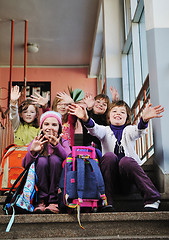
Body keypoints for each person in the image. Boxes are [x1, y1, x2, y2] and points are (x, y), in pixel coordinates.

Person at [68, 100, 164, 212]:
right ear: (108, 116)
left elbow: (138, 130)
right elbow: (94, 129)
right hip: (110, 181)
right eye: (114, 111)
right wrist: (85, 118)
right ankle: (106, 201)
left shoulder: (129, 130)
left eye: (122, 112)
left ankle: (152, 198)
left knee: (126, 161)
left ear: (127, 118)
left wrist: (144, 120)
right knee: (108, 156)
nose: (118, 113)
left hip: (128, 182)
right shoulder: (105, 130)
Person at [22, 111, 71, 214]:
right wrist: (32, 151)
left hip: (58, 182)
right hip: (41, 181)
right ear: (41, 127)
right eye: (46, 124)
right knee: (42, 160)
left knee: (54, 159)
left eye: (54, 125)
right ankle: (41, 201)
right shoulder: (37, 141)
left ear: (59, 128)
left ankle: (54, 201)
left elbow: (69, 160)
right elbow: (24, 164)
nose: (50, 127)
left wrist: (57, 146)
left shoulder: (63, 142)